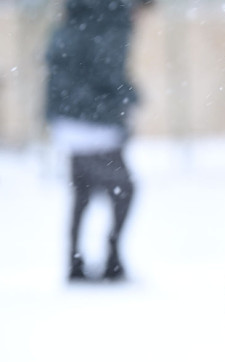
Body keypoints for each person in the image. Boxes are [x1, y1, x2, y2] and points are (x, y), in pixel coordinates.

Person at [45, 0, 153, 281]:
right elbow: (106, 70)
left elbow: (59, 61)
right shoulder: (113, 23)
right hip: (92, 119)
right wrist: (129, 94)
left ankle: (75, 261)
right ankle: (112, 259)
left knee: (82, 190)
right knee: (125, 189)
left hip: (67, 115)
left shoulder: (78, 16)